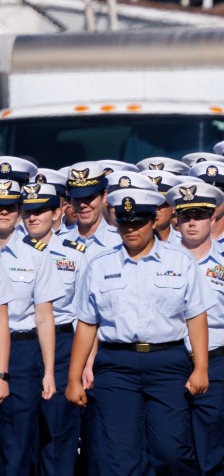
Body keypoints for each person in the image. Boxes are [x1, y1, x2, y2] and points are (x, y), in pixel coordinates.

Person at [66, 189, 213, 474]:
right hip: (116, 366)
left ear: (154, 220)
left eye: (138, 222)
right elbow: (87, 323)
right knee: (119, 455)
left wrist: (201, 367)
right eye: (124, 222)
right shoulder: (99, 265)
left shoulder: (180, 262)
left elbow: (196, 316)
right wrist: (73, 378)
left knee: (172, 452)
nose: (130, 229)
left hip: (167, 364)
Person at [168, 182, 224, 475]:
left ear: (213, 219)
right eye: (185, 216)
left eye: (199, 215)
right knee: (170, 449)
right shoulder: (158, 260)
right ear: (176, 220)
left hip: (216, 363)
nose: (192, 222)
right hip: (169, 362)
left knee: (213, 452)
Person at [0, 179, 62, 475]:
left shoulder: (35, 256)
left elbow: (44, 317)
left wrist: (49, 372)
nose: (3, 212)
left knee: (18, 440)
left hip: (23, 353)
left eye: (10, 207)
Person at [24, 182, 82, 476]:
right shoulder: (10, 250)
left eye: (41, 210)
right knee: (20, 435)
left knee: (58, 431)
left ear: (58, 212)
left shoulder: (75, 253)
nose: (33, 217)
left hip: (61, 344)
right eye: (28, 211)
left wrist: (86, 364)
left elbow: (86, 313)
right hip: (19, 343)